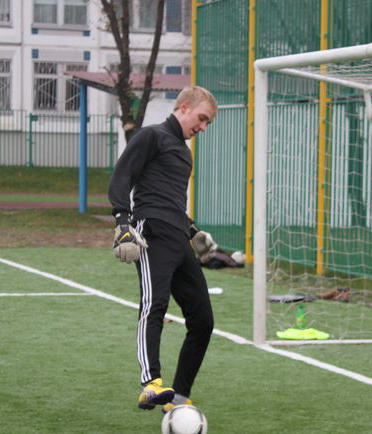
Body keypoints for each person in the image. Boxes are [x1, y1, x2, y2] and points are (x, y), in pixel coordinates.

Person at [108, 85, 219, 413]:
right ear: (184, 107)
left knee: (203, 320)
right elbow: (121, 177)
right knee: (153, 305)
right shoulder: (150, 136)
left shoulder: (184, 152)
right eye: (201, 119)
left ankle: (179, 396)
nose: (202, 127)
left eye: (207, 124)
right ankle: (150, 384)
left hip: (178, 239)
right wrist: (122, 223)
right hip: (150, 232)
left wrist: (193, 231)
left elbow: (170, 199)